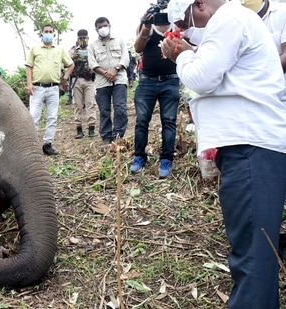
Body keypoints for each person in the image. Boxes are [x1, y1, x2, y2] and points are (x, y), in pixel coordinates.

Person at [162, 0, 286, 308]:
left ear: (199, 4)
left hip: (250, 148)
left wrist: (181, 54)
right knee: (258, 248)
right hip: (251, 146)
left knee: (253, 254)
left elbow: (202, 77)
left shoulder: (229, 17)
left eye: (183, 20)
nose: (184, 28)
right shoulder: (237, 20)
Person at [129, 10, 181, 178]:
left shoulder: (178, 25)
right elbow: (138, 48)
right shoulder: (147, 27)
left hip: (171, 81)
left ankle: (166, 159)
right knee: (142, 121)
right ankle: (139, 157)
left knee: (169, 121)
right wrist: (145, 25)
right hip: (147, 81)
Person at [26, 24, 74, 156]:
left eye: (50, 32)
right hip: (37, 88)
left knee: (52, 117)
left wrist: (65, 78)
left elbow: (70, 64)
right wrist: (29, 83)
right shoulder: (35, 49)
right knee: (34, 117)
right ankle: (33, 146)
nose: (48, 33)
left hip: (53, 88)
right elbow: (29, 66)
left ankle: (48, 145)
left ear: (54, 34)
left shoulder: (59, 50)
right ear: (42, 34)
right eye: (45, 31)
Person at [87, 17, 130, 149]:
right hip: (101, 83)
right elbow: (92, 63)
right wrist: (106, 73)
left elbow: (125, 59)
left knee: (120, 108)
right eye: (100, 27)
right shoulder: (92, 45)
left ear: (109, 26)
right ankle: (106, 138)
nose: (103, 29)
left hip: (119, 80)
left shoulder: (120, 41)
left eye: (104, 26)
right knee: (104, 110)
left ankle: (118, 136)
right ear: (96, 29)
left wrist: (115, 69)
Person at [68, 29, 97, 139]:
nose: (83, 39)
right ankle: (79, 129)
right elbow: (65, 64)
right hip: (77, 80)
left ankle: (91, 128)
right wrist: (72, 58)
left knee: (91, 104)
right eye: (80, 38)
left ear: (88, 37)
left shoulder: (92, 49)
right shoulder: (72, 50)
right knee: (78, 105)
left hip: (90, 80)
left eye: (84, 37)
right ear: (77, 38)